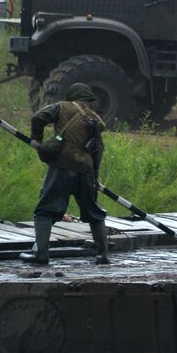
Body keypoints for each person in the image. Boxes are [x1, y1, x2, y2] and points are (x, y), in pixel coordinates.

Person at [25, 83, 108, 265]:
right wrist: (95, 176)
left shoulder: (61, 106)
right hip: (86, 170)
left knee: (45, 211)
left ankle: (41, 254)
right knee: (94, 212)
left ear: (72, 97)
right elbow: (98, 150)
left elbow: (38, 117)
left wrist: (36, 140)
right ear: (87, 100)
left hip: (62, 167)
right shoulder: (94, 119)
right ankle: (103, 255)